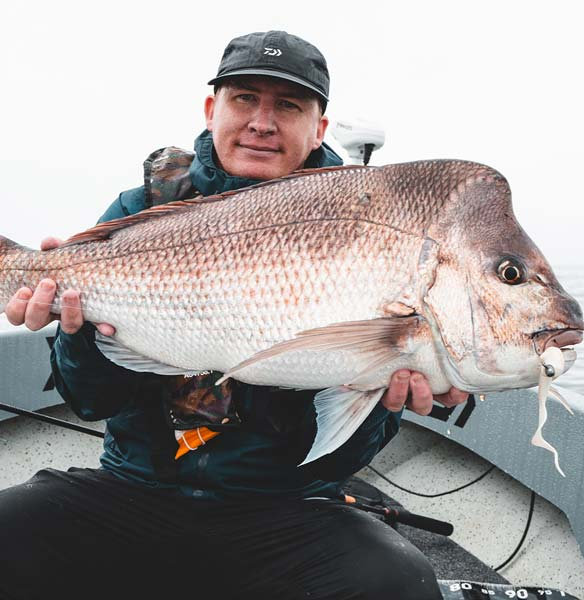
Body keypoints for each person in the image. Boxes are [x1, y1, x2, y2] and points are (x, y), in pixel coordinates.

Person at [1, 30, 468, 600]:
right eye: (244, 98)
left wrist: (381, 392)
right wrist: (72, 330)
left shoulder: (371, 228)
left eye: (288, 106)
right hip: (134, 489)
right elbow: (91, 401)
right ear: (211, 109)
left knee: (397, 583)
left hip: (287, 508)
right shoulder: (142, 210)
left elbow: (341, 458)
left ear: (319, 128)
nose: (262, 122)